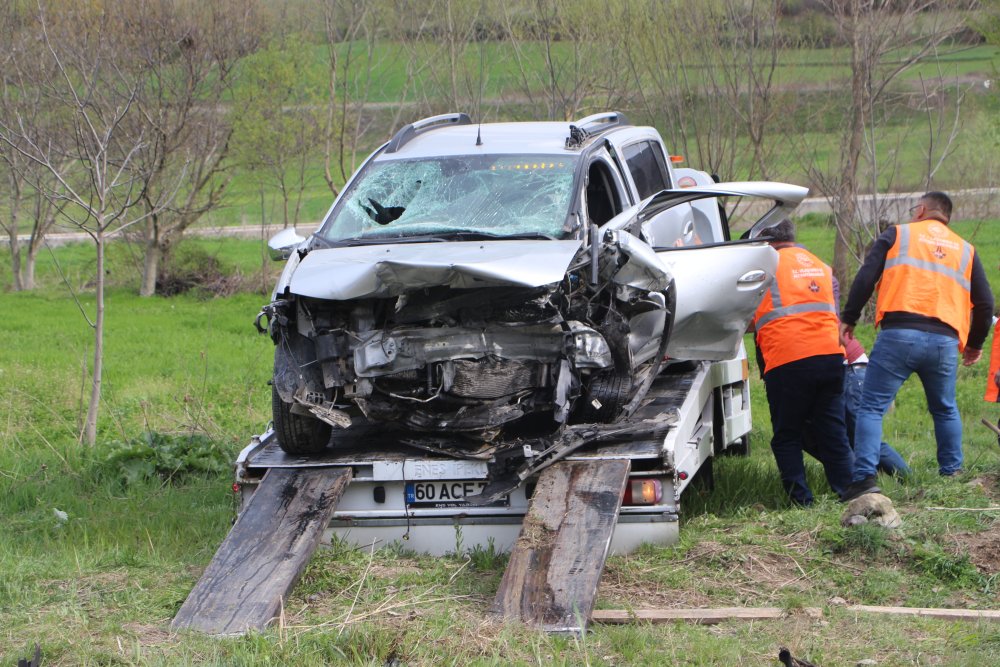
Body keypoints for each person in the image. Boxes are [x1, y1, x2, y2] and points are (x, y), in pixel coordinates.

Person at [840, 191, 994, 499]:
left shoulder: (898, 234)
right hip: (945, 342)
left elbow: (866, 275)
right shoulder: (966, 250)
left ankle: (865, 479)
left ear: (921, 209)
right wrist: (975, 344)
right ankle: (952, 474)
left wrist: (850, 317)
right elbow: (986, 303)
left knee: (871, 408)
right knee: (945, 408)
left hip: (899, 333)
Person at [752, 219, 855, 505]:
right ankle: (848, 492)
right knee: (834, 431)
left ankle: (801, 500)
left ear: (765, 240)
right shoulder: (818, 264)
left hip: (788, 358)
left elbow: (748, 316)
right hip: (831, 356)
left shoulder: (763, 268)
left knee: (787, 434)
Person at [841, 336, 910, 477]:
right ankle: (869, 479)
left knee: (861, 437)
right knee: (849, 436)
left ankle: (908, 477)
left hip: (851, 368)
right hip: (849, 368)